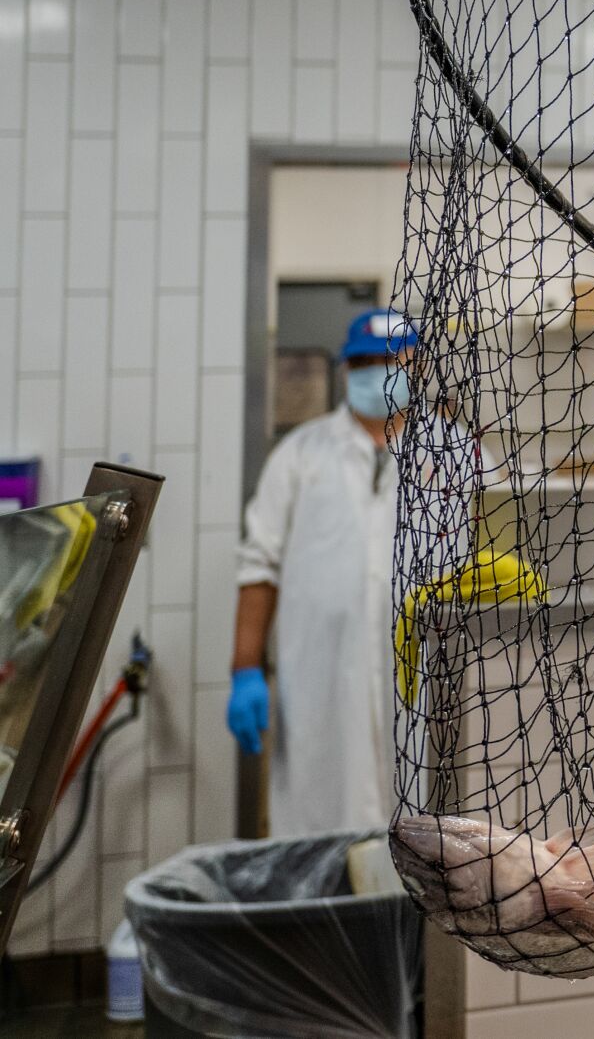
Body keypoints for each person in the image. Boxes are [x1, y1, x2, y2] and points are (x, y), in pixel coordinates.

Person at [227, 308, 417, 835]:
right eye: (363, 361)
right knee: (326, 833)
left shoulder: (452, 455)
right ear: (344, 369)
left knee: (429, 835)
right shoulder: (299, 455)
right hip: (320, 681)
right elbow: (258, 563)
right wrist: (245, 670)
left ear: (416, 365)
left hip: (426, 683)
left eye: (389, 360)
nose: (377, 371)